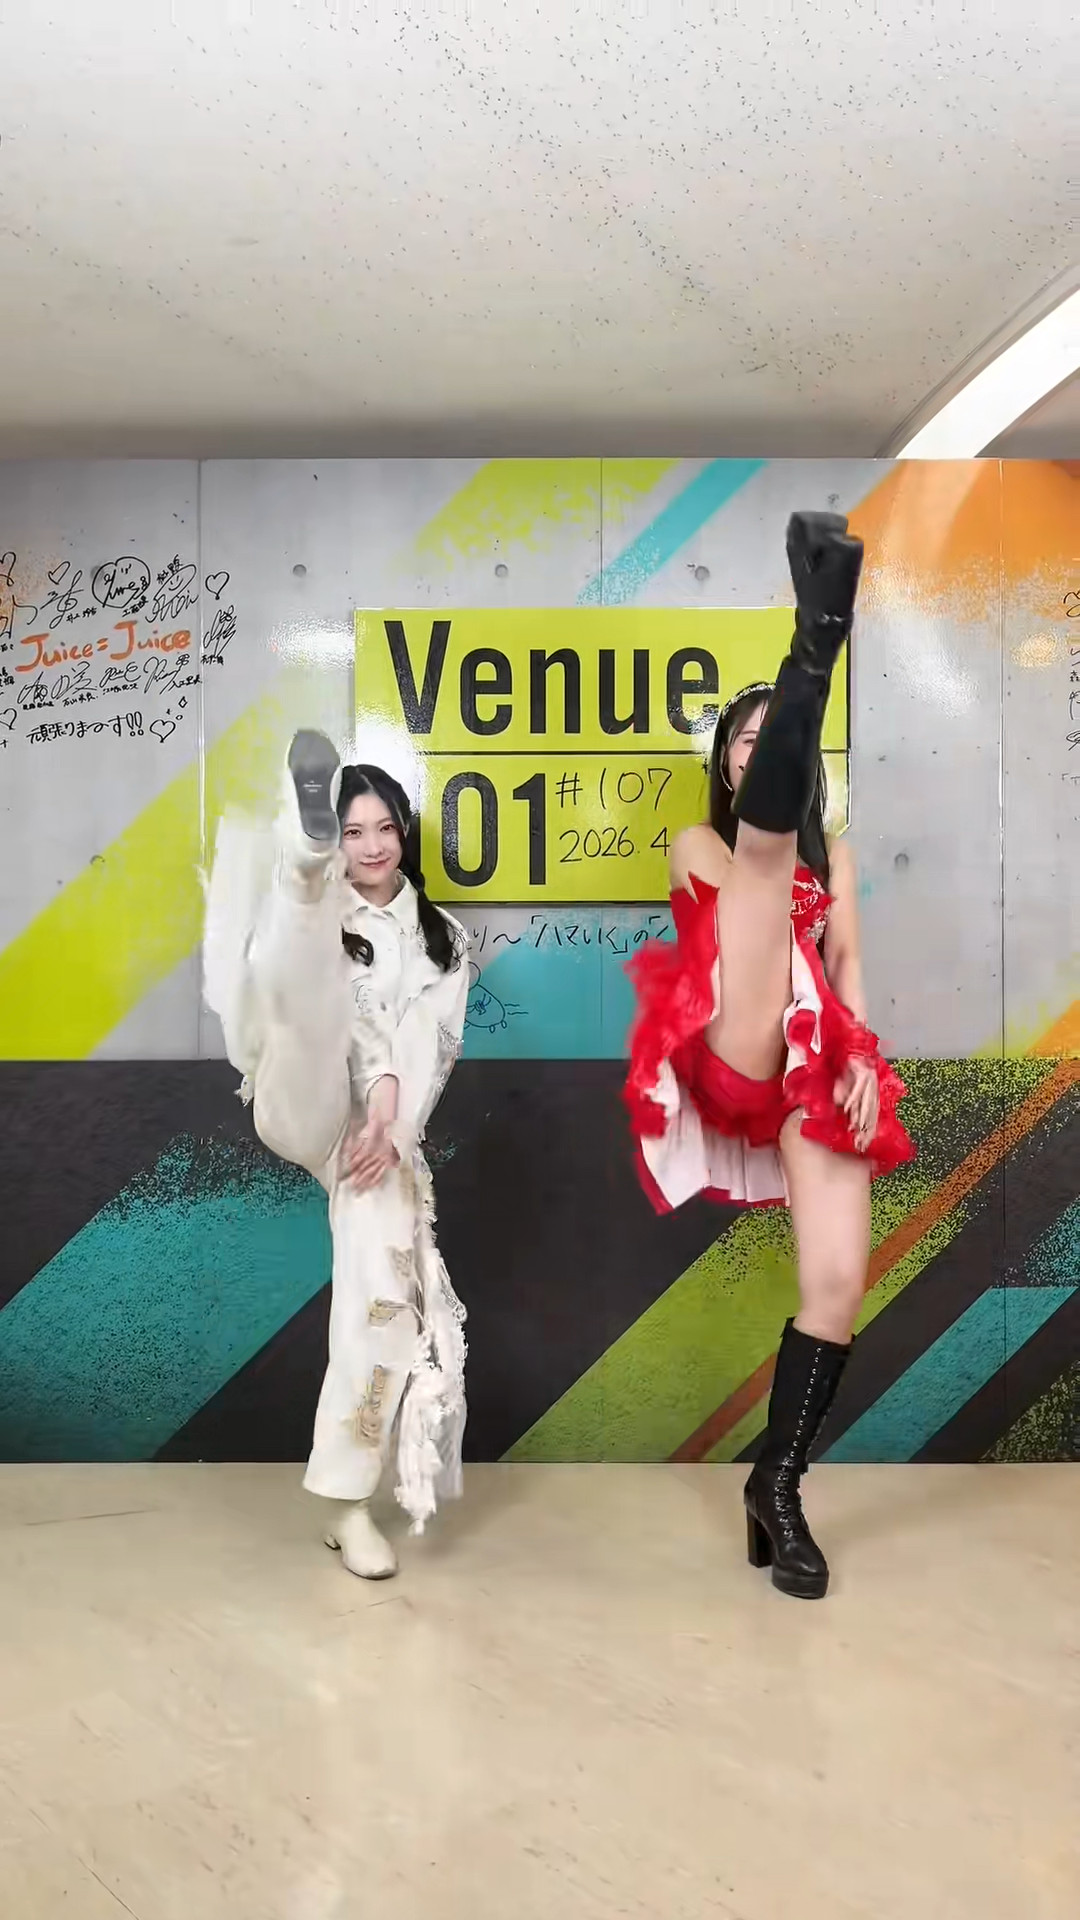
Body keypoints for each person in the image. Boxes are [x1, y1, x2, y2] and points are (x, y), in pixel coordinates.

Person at [624, 512, 914, 1600]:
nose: (752, 750)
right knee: (764, 863)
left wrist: (860, 1059)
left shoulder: (838, 862)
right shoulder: (700, 842)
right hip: (732, 1030)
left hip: (813, 1056)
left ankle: (775, 1489)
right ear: (724, 763)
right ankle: (817, 638)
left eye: (768, 739)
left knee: (837, 1284)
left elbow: (848, 970)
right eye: (740, 741)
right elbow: (754, 892)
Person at [202, 731, 469, 1580]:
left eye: (383, 828)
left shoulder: (444, 940)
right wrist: (374, 1089)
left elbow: (434, 1047)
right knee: (308, 1001)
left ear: (404, 833)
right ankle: (298, 864)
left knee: (386, 1304)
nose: (374, 846)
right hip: (302, 1096)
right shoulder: (337, 920)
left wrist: (390, 1123)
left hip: (379, 1140)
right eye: (352, 831)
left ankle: (348, 1506)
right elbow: (335, 1024)